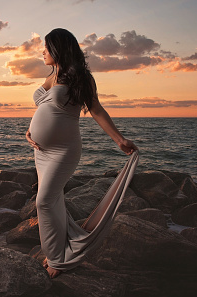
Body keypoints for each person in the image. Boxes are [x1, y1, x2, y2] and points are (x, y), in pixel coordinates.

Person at [26, 28, 138, 278]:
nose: (42, 51)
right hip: (41, 152)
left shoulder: (81, 78)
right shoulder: (53, 74)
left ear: (58, 48)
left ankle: (57, 260)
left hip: (64, 150)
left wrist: (119, 139)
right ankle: (57, 250)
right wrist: (30, 130)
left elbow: (96, 109)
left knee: (43, 201)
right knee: (53, 201)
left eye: (46, 47)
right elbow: (45, 107)